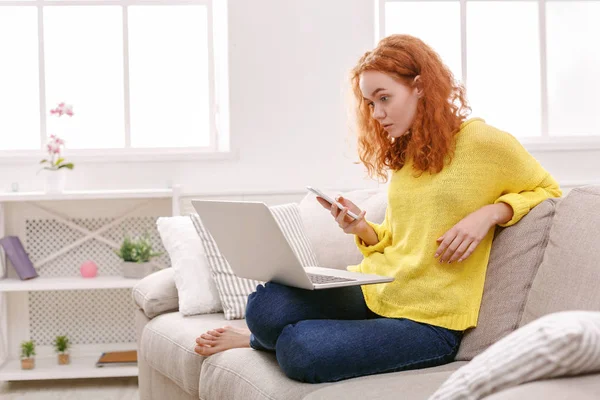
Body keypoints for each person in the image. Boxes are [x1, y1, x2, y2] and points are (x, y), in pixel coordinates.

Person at [193, 34, 562, 383]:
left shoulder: (484, 142)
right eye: (371, 103)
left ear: (420, 86)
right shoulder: (407, 155)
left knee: (301, 349)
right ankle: (267, 335)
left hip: (429, 322)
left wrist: (490, 214)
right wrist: (362, 229)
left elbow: (549, 191)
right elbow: (400, 240)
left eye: (384, 98)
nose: (377, 113)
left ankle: (264, 341)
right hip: (380, 288)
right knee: (265, 306)